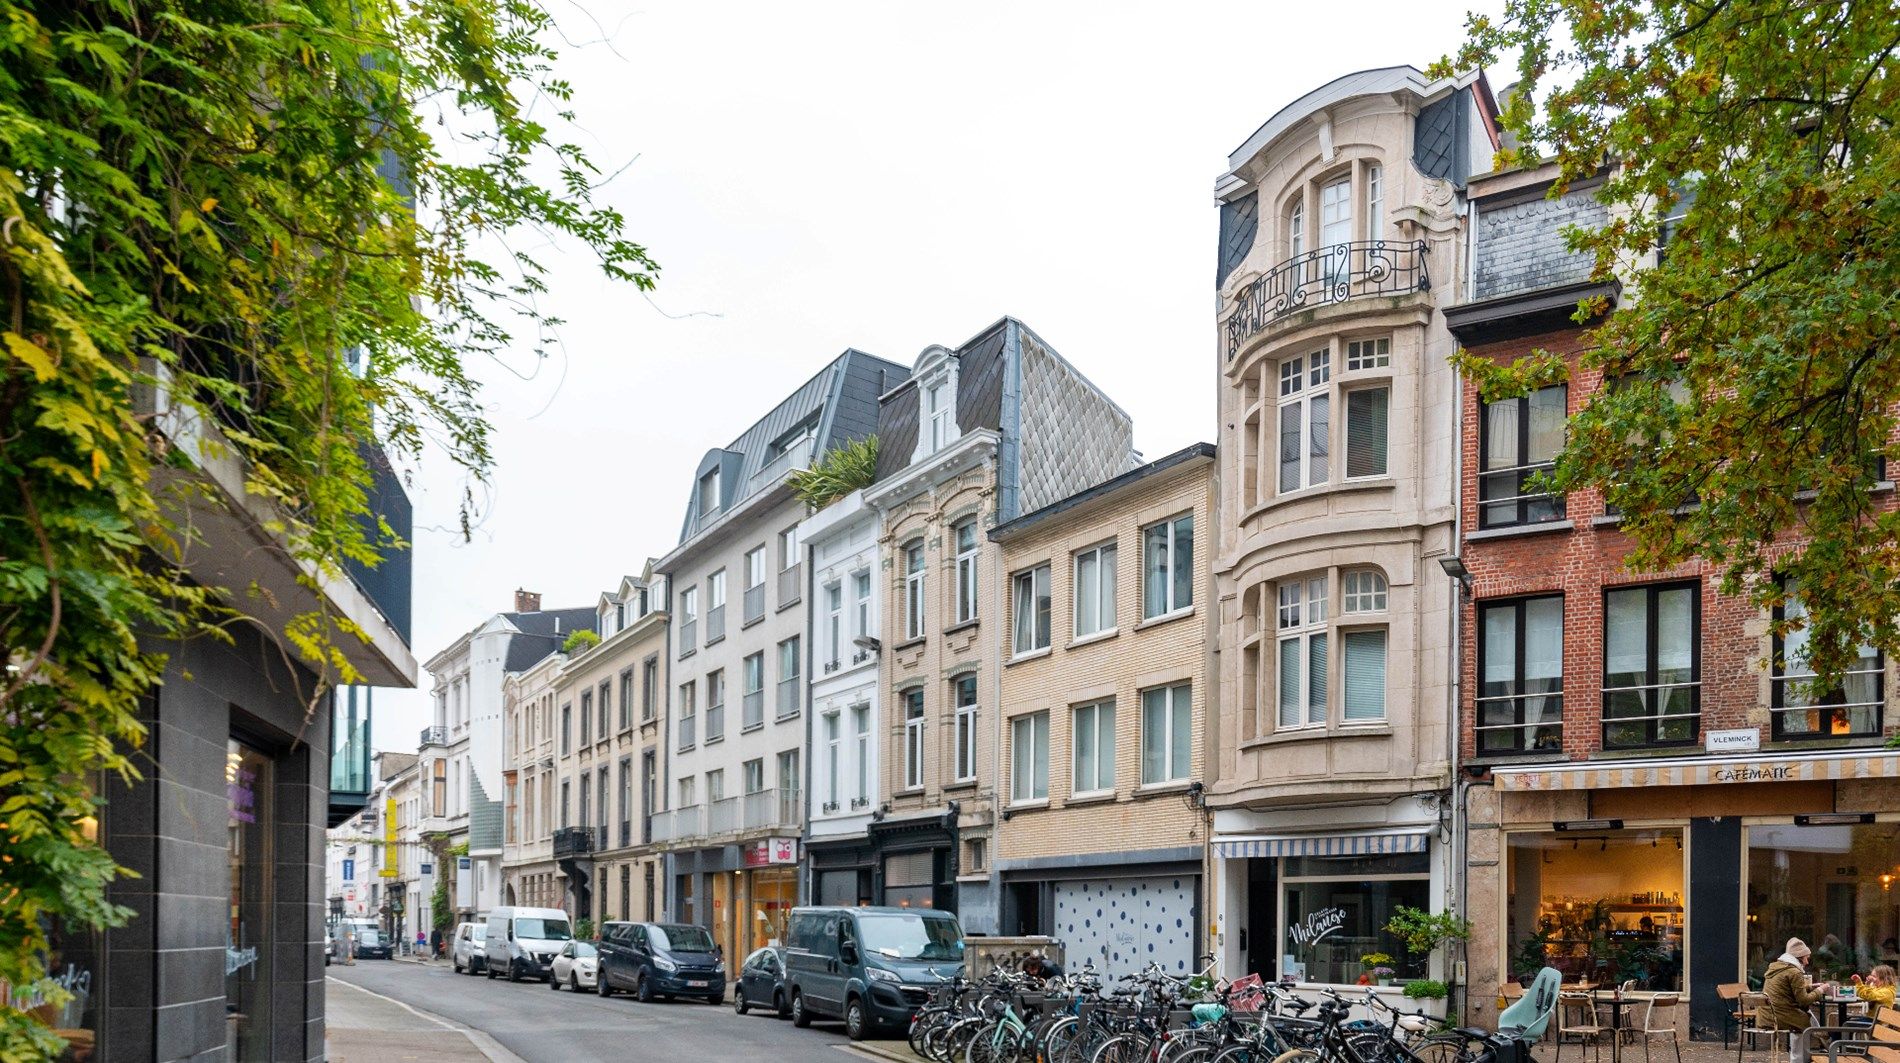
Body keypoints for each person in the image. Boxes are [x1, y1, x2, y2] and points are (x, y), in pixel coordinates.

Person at [1763, 938, 1828, 1063]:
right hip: (1779, 1016)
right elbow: (1803, 1001)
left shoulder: (1778, 967)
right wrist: (1820, 990)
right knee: (1805, 1018)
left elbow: (1786, 990)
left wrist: (1809, 987)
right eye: (1806, 958)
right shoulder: (1794, 972)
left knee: (1807, 1017)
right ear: (1799, 957)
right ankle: (1803, 1058)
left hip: (1768, 1015)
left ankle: (1822, 1045)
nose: (1807, 962)